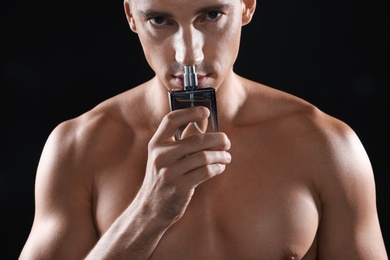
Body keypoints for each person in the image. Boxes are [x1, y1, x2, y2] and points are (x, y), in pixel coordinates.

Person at [20, 0, 387, 259]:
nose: (189, 54)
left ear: (246, 5)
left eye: (211, 14)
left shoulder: (327, 145)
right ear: (131, 14)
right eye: (160, 20)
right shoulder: (78, 147)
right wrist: (148, 213)